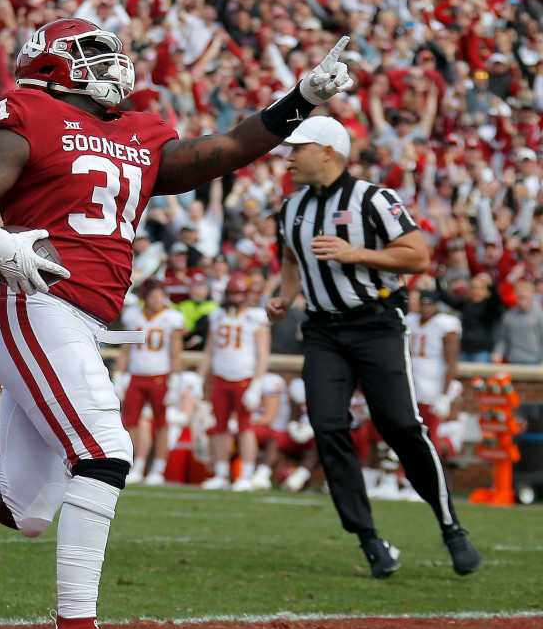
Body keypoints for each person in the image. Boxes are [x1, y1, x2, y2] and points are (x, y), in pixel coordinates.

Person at [0, 20, 358, 629]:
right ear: (51, 65)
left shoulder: (140, 129)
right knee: (106, 448)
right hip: (37, 304)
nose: (113, 63)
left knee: (27, 507)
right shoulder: (32, 114)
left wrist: (298, 100)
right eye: (93, 53)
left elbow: (225, 149)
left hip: (79, 317)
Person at [267, 115, 480, 579]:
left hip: (376, 324)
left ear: (327, 151)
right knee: (326, 425)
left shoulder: (374, 198)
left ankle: (450, 526)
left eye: (297, 149)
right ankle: (368, 538)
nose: (287, 158)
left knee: (401, 424)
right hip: (323, 331)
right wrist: (284, 297)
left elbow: (419, 256)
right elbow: (290, 256)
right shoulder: (291, 208)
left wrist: (355, 254)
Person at [199, 276, 270, 491]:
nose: (235, 298)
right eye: (231, 294)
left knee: (245, 427)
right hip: (220, 377)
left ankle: (246, 475)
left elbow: (263, 354)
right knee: (219, 427)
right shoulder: (217, 315)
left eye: (238, 294)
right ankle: (221, 473)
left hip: (244, 379)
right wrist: (198, 378)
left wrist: (256, 384)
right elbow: (209, 351)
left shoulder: (256, 317)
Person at [115, 281, 185, 486]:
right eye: (154, 296)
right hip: (136, 375)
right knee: (130, 422)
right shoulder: (133, 315)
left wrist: (175, 379)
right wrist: (119, 374)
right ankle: (137, 463)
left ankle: (158, 468)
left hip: (160, 376)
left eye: (160, 296)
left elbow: (176, 352)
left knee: (161, 423)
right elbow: (126, 348)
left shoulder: (171, 318)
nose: (157, 300)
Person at [405, 290, 462, 459]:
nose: (425, 308)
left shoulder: (446, 324)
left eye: (429, 304)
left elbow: (451, 363)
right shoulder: (410, 320)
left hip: (433, 390)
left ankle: (432, 479)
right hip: (413, 387)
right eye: (423, 303)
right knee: (409, 436)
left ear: (437, 305)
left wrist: (444, 395)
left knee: (431, 439)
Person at [495, 280, 543, 365]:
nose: (522, 299)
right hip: (513, 360)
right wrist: (498, 353)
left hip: (534, 361)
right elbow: (502, 339)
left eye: (525, 296)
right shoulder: (508, 315)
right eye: (520, 296)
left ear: (532, 295)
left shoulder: (539, 314)